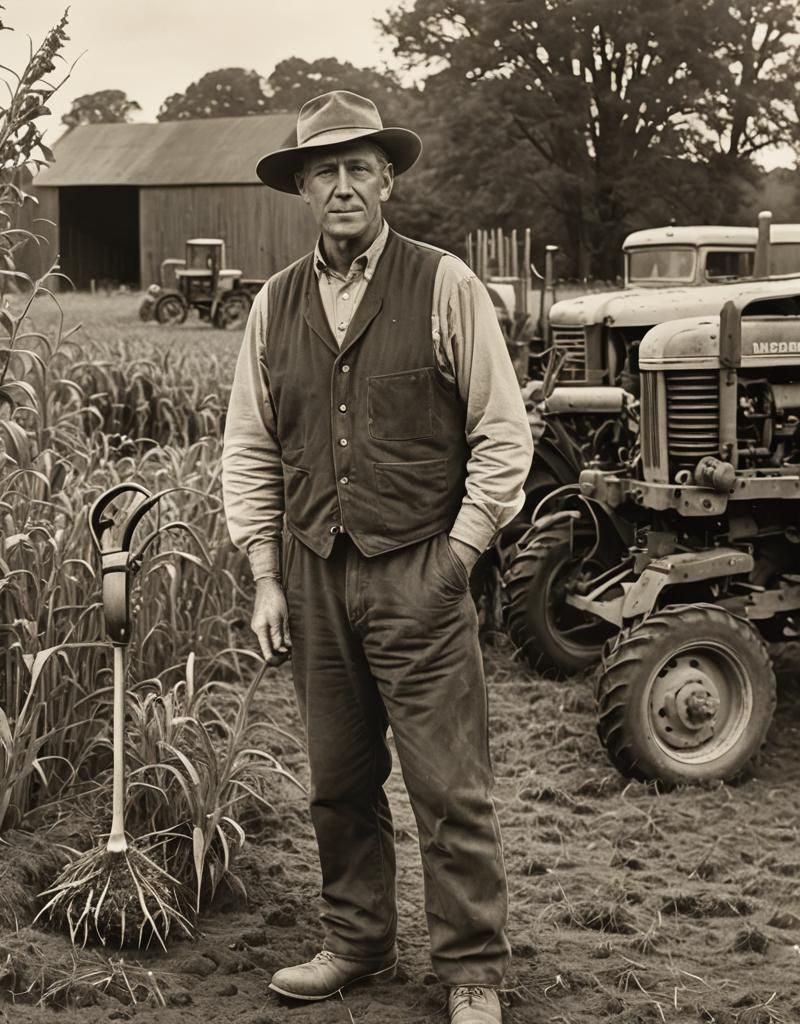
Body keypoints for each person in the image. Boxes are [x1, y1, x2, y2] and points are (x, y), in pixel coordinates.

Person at [221, 90, 533, 1024]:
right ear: (304, 189)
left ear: (388, 180)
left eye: (360, 167)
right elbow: (250, 448)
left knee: (449, 785)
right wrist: (266, 576)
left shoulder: (444, 284)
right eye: (325, 171)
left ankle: (472, 970)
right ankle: (357, 943)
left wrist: (458, 558)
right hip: (314, 572)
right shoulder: (273, 305)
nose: (344, 186)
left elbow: (503, 436)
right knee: (338, 781)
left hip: (419, 569)